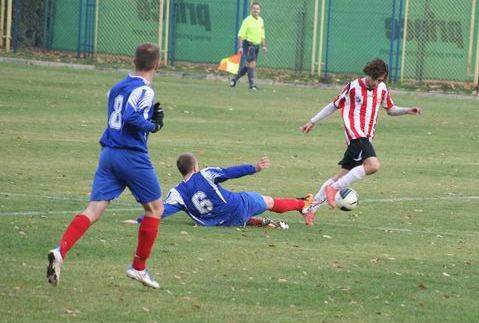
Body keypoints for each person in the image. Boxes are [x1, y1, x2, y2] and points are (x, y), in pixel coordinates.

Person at [46, 43, 166, 289]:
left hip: (108, 154)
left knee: (93, 210)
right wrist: (153, 125)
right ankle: (139, 268)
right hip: (131, 155)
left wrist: (145, 120)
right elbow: (132, 118)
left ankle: (60, 251)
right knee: (155, 209)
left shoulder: (117, 87)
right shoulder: (145, 90)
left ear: (133, 61)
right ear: (157, 64)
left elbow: (119, 115)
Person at [300, 58, 422, 212]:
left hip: (366, 136)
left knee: (343, 174)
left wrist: (407, 110)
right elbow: (334, 105)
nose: (377, 83)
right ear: (369, 74)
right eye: (376, 80)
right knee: (373, 166)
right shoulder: (353, 87)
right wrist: (313, 121)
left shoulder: (382, 88)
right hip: (355, 134)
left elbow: (390, 109)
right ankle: (333, 189)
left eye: (381, 80)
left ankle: (310, 208)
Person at [132, 153, 316, 228]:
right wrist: (255, 168)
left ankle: (257, 222)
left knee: (231, 211)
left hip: (217, 224)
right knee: (269, 201)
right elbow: (230, 172)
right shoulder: (205, 174)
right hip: (238, 207)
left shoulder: (176, 193)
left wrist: (139, 220)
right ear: (195, 166)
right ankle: (303, 204)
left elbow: (162, 212)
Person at [229, 2, 267, 90]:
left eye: (257, 9)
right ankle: (251, 85)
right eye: (254, 8)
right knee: (252, 64)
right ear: (251, 10)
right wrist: (240, 47)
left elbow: (262, 35)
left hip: (257, 46)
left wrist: (264, 46)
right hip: (249, 45)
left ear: (260, 10)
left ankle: (234, 79)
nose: (256, 10)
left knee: (248, 65)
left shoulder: (261, 20)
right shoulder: (247, 21)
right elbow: (241, 35)